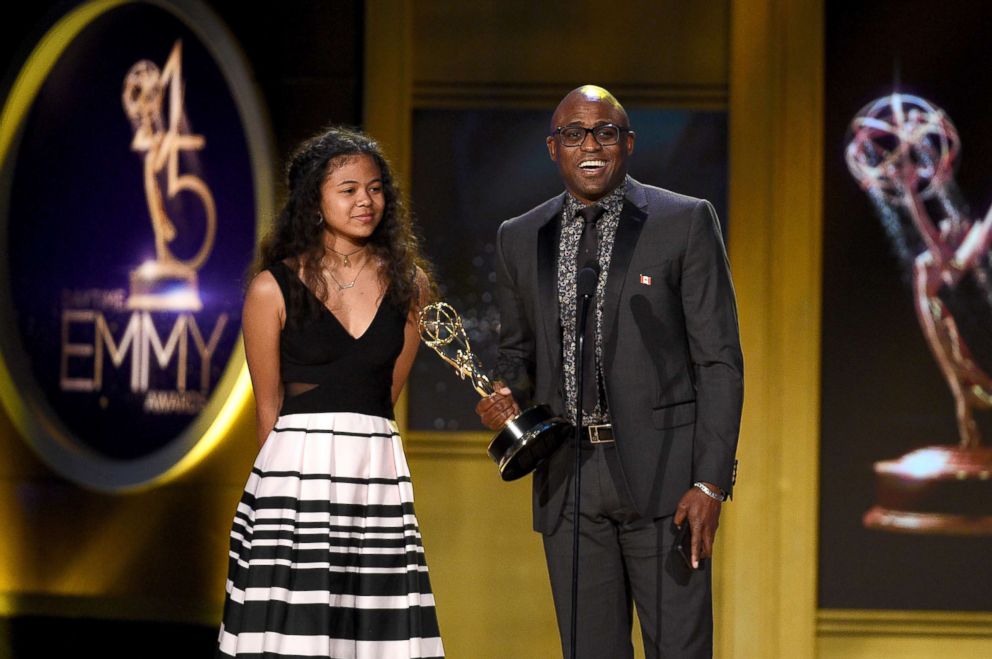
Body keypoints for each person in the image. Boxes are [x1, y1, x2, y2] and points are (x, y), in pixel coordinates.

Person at [476, 85, 743, 658]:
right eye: (574, 134)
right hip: (568, 482)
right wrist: (505, 395)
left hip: (667, 481)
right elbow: (516, 351)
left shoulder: (685, 221)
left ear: (628, 143)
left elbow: (719, 361)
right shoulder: (519, 237)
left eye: (605, 132)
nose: (590, 145)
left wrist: (710, 482)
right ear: (554, 148)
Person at [217, 126, 444, 659]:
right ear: (314, 200)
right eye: (348, 188)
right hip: (296, 485)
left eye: (374, 188)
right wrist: (281, 506)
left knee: (373, 631)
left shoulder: (411, 285)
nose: (365, 200)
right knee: (295, 631)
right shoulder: (272, 287)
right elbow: (268, 408)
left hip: (374, 476)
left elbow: (383, 392)